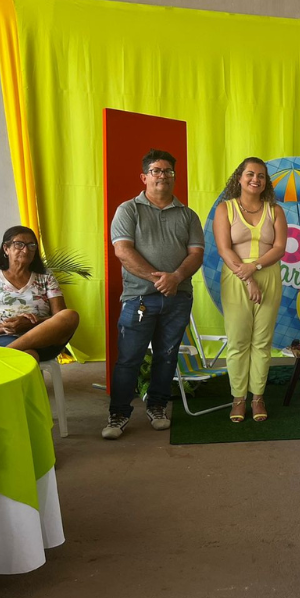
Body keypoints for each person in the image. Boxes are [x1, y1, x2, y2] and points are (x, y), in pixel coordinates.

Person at [103, 149, 204, 439]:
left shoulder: (188, 215)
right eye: (156, 171)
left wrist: (176, 278)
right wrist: (157, 279)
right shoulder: (128, 210)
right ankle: (118, 414)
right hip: (139, 298)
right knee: (129, 359)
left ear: (174, 176)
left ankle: (157, 406)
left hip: (178, 297)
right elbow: (123, 251)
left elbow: (196, 254)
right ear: (144, 177)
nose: (162, 176)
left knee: (167, 356)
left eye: (168, 171)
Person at [213, 157, 287, 422]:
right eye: (250, 174)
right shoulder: (225, 209)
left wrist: (254, 267)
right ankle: (238, 399)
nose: (256, 179)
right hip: (236, 277)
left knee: (262, 342)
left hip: (268, 276)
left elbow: (279, 248)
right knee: (238, 341)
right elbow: (224, 249)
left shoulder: (275, 211)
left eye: (261, 176)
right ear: (239, 178)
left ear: (266, 182)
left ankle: (257, 398)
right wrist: (247, 277)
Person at [0, 226, 79, 361]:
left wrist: (31, 323)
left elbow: (60, 318)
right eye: (19, 244)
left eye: (31, 245)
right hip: (0, 339)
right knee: (28, 355)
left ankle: (1, 357)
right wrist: (8, 327)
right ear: (6, 248)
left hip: (43, 339)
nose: (26, 250)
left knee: (70, 315)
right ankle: (8, 355)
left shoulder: (46, 277)